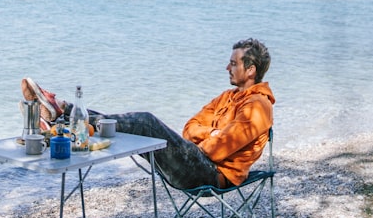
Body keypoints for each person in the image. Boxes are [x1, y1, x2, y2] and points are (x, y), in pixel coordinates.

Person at [21, 38, 274, 189]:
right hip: (196, 161)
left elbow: (215, 150)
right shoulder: (227, 97)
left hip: (211, 174)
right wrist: (213, 132)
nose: (226, 67)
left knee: (146, 123)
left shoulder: (258, 106)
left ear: (250, 70)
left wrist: (207, 137)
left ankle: (63, 112)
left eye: (233, 63)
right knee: (133, 130)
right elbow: (190, 127)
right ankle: (61, 121)